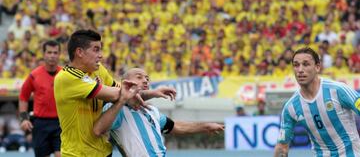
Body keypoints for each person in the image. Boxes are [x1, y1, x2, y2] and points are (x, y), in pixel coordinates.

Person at [54, 29, 175, 157]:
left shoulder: (98, 69)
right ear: (79, 52)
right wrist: (131, 95)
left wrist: (153, 93)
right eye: (96, 49)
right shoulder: (67, 77)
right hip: (77, 154)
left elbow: (123, 92)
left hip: (103, 152)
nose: (100, 55)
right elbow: (118, 94)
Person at [93, 68, 225, 157]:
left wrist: (205, 126)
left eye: (147, 78)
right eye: (139, 77)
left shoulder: (151, 110)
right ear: (124, 83)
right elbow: (98, 130)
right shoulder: (117, 109)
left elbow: (175, 126)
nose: (145, 80)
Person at [274, 47, 360, 157]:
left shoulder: (338, 90)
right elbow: (282, 146)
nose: (300, 70)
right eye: (296, 65)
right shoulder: (290, 107)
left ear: (317, 67)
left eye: (306, 64)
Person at [19, 40, 62, 157]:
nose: (52, 56)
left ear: (59, 54)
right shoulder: (34, 75)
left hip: (61, 123)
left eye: (55, 52)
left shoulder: (65, 75)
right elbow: (23, 97)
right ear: (43, 54)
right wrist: (23, 119)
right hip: (40, 124)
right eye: (49, 52)